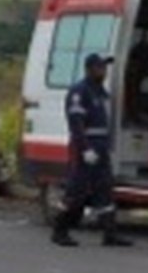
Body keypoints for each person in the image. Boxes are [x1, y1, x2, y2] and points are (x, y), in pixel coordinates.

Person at [50, 54, 133, 248]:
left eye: (104, 68)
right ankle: (59, 230)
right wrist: (85, 149)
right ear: (89, 69)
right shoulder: (80, 91)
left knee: (105, 189)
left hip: (101, 148)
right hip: (85, 148)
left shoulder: (100, 92)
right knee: (76, 191)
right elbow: (76, 124)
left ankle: (110, 233)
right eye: (99, 68)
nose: (103, 72)